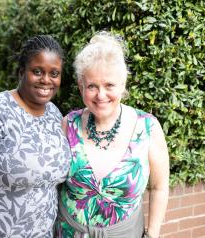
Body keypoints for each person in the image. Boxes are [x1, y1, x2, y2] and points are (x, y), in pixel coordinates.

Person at [55, 31, 169, 238]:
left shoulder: (147, 128)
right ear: (81, 87)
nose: (100, 95)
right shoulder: (68, 124)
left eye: (109, 85)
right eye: (92, 86)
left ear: (123, 85)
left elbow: (159, 187)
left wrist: (152, 235)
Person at [0, 35, 71, 238]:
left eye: (54, 73)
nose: (46, 80)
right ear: (21, 72)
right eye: (37, 71)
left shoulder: (54, 113)